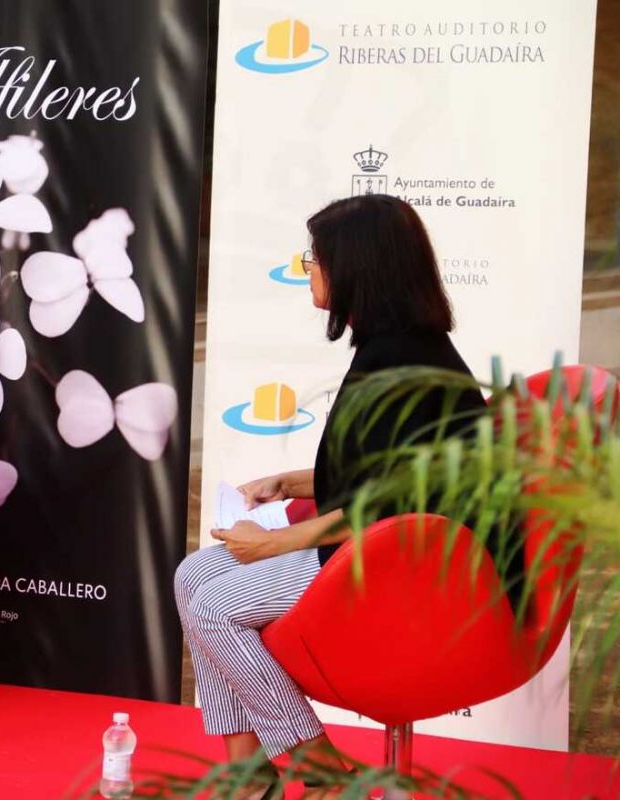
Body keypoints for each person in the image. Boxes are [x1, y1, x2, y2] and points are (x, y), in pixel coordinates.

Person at [175, 194, 492, 799]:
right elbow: (386, 470)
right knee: (194, 574)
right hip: (390, 548)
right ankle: (249, 777)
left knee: (215, 606)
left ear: (357, 268)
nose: (309, 271)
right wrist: (294, 483)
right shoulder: (397, 346)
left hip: (412, 569)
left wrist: (275, 542)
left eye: (316, 259)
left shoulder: (398, 357)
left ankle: (318, 772)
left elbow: (393, 504)